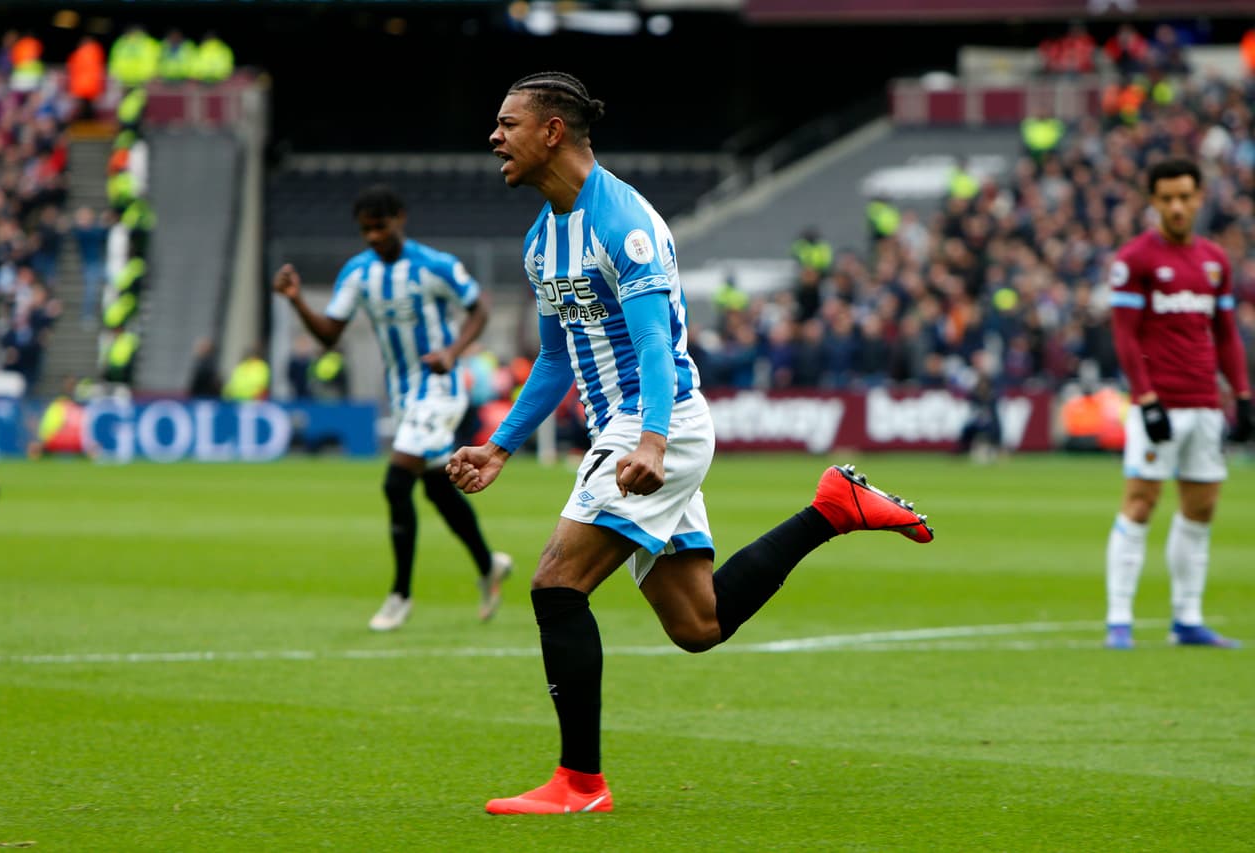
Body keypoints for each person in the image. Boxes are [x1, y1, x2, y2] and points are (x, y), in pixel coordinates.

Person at [447, 71, 934, 816]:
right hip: (636, 430)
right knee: (698, 623)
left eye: (507, 123)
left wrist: (649, 441)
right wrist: (502, 445)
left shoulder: (625, 224)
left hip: (655, 422)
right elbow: (554, 357)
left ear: (552, 131)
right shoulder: (543, 239)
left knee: (555, 583)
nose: (494, 136)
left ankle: (580, 783)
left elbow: (653, 346)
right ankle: (833, 508)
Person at [273, 184, 512, 630]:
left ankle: (400, 595)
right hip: (403, 395)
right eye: (365, 230)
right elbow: (329, 334)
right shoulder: (358, 273)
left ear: (399, 219)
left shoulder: (434, 265)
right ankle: (488, 564)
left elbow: (479, 307)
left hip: (440, 387)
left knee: (395, 480)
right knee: (438, 489)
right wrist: (297, 300)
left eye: (380, 227)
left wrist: (454, 351)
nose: (373, 237)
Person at [1103, 157, 1253, 651]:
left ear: (1199, 197)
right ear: (1153, 201)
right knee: (1141, 501)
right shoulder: (1136, 259)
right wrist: (1145, 399)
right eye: (1166, 198)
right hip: (1160, 403)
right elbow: (1125, 337)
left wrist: (1243, 393)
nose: (1176, 206)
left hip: (1206, 404)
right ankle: (1119, 619)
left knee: (1201, 506)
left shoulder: (1214, 261)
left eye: (1184, 197)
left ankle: (1186, 619)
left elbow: (1226, 334)